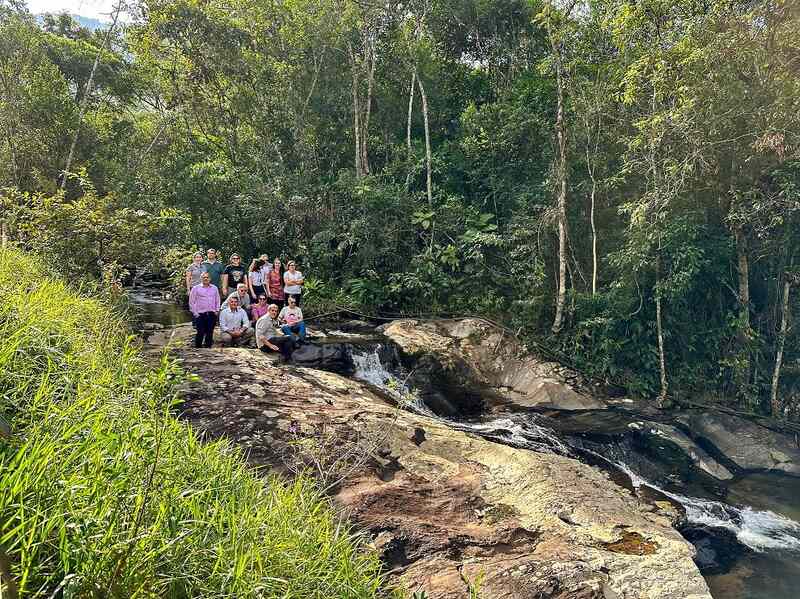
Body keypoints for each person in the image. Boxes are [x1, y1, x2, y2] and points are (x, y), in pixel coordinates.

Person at [188, 272, 220, 348]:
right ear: (201, 279)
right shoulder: (195, 288)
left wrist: (217, 310)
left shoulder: (214, 288)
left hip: (211, 313)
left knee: (210, 332)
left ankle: (208, 348)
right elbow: (191, 302)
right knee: (200, 332)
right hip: (200, 314)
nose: (205, 279)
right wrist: (195, 313)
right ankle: (198, 347)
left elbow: (217, 300)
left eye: (207, 277)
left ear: (210, 279)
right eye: (204, 277)